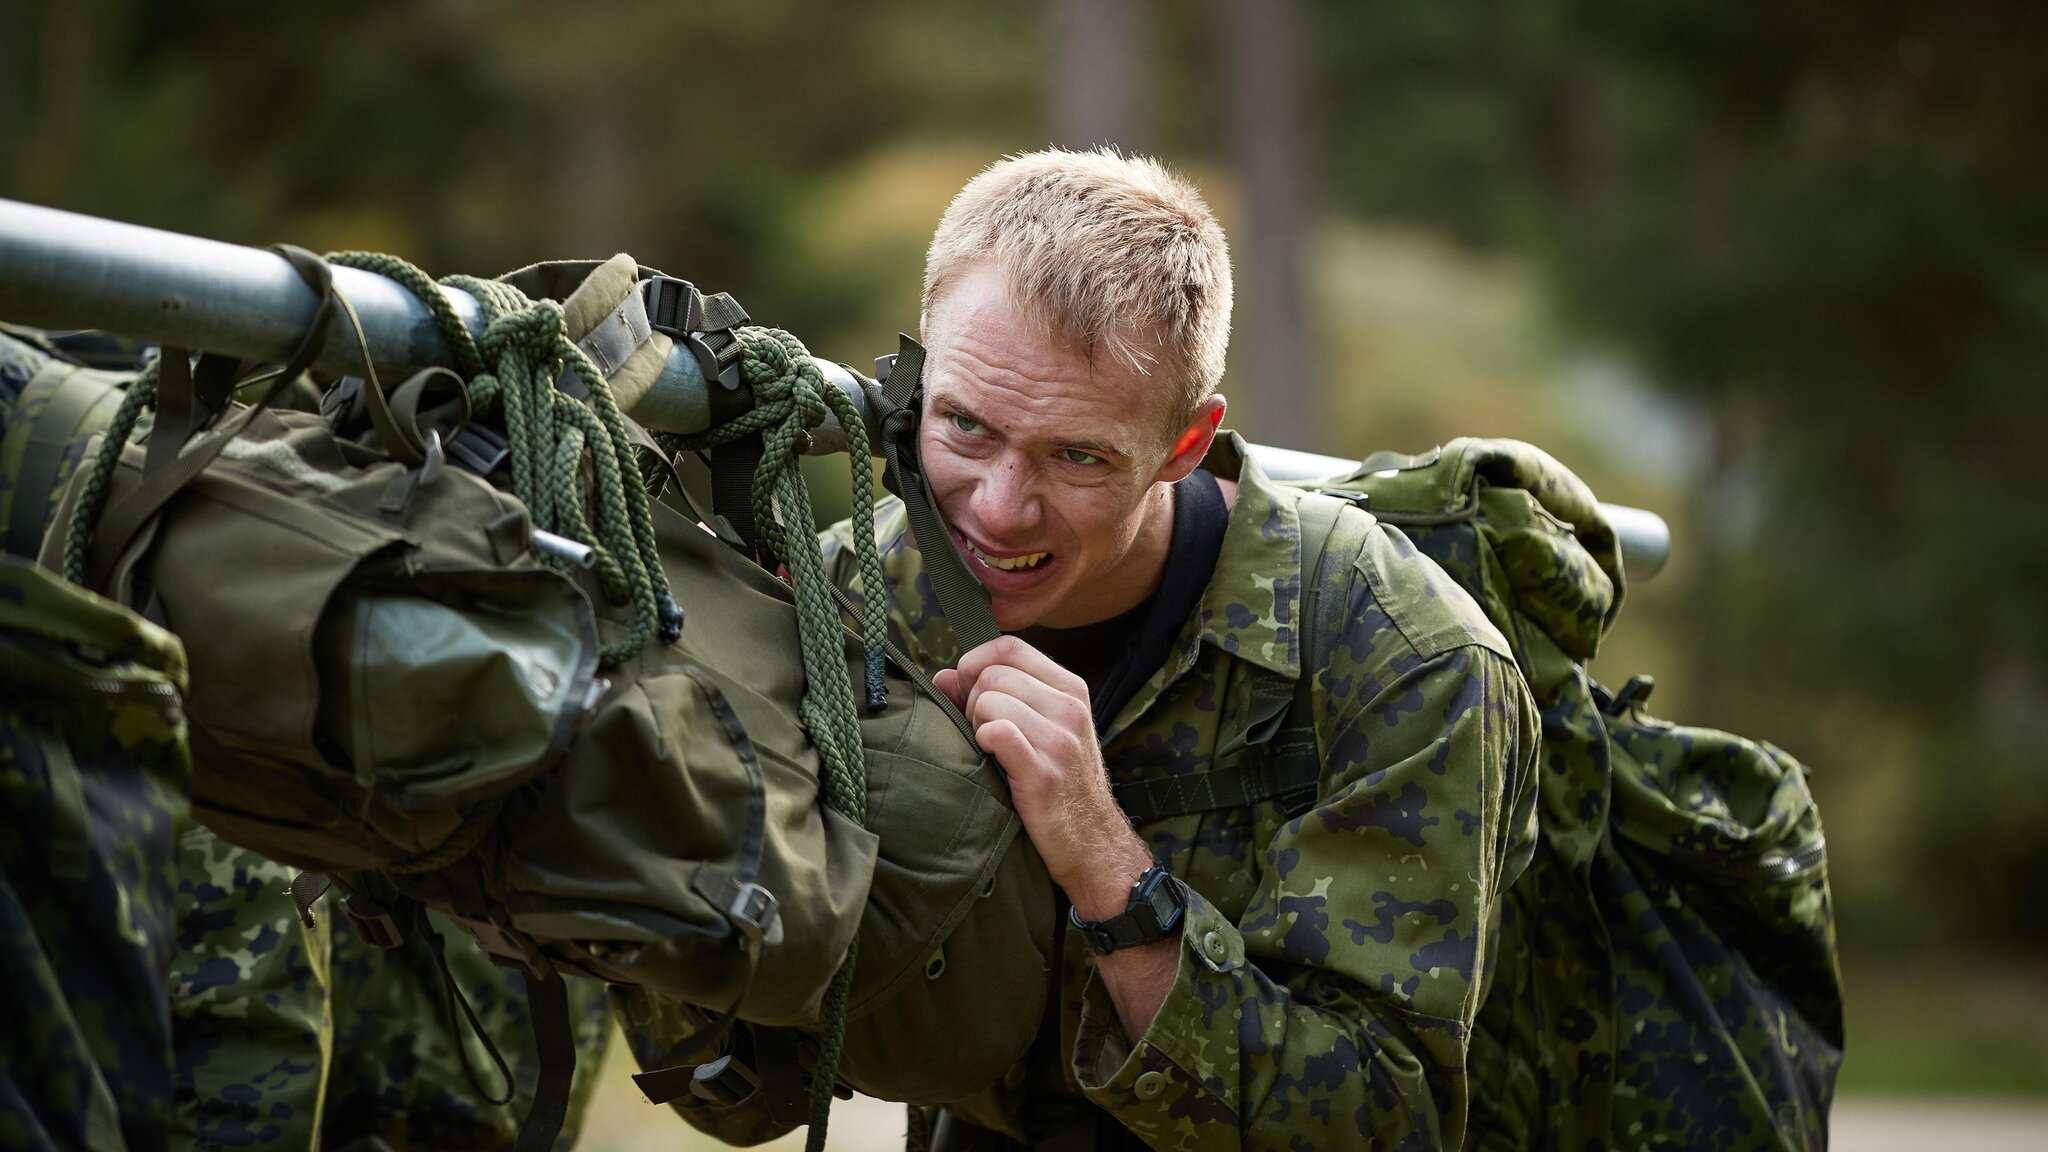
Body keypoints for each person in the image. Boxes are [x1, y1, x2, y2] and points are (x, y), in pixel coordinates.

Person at [819, 149, 1536, 1148]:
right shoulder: (849, 603)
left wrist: (1107, 868)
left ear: (1186, 444)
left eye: (1077, 455)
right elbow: (727, 1093)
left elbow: (1379, 1121)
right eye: (964, 426)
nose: (996, 507)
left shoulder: (1398, 656)